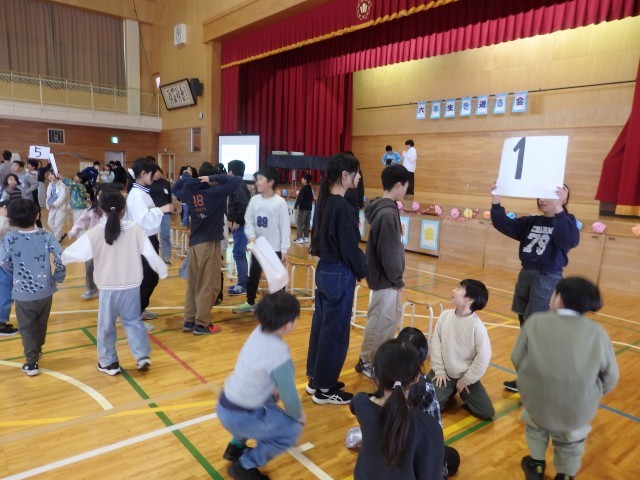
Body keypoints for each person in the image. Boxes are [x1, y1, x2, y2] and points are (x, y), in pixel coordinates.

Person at [514, 277, 619, 480]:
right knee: (571, 441)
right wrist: (588, 393)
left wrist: (532, 381)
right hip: (577, 407)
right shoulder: (597, 332)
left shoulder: (535, 322)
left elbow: (517, 357)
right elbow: (611, 376)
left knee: (535, 427)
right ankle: (565, 475)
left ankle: (536, 465)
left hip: (539, 401)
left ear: (559, 298)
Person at [61, 189, 167, 375]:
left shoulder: (95, 233)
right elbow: (150, 254)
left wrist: (62, 257)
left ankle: (108, 362)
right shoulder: (136, 229)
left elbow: (74, 254)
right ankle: (142, 355)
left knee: (106, 326)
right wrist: (162, 270)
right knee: (133, 321)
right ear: (124, 208)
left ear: (100, 209)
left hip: (108, 288)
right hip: (132, 286)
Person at [491, 184, 579, 392]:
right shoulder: (531, 221)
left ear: (563, 198)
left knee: (537, 331)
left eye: (548, 196)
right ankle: (527, 378)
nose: (542, 199)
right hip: (527, 275)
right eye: (540, 195)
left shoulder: (566, 221)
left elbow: (569, 240)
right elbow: (504, 224)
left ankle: (543, 379)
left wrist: (559, 209)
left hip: (547, 278)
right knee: (526, 327)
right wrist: (496, 200)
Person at [217, 292, 305, 480]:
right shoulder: (279, 353)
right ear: (288, 326)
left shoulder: (258, 331)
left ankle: (235, 447)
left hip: (226, 403)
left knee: (271, 398)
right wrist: (298, 416)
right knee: (292, 431)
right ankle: (244, 465)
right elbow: (289, 395)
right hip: (241, 417)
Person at [306, 153, 367, 405]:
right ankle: (325, 388)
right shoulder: (341, 206)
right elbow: (350, 248)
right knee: (336, 332)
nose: (359, 177)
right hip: (339, 273)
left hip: (324, 271)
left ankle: (316, 379)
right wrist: (363, 272)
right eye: (356, 172)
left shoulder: (325, 201)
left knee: (322, 327)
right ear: (345, 175)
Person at [350, 338, 444, 479]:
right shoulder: (427, 426)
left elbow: (355, 405)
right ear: (416, 377)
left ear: (375, 372)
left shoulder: (360, 403)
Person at [173, 162, 242, 335]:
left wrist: (187, 178)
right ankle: (202, 324)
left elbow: (175, 188)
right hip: (209, 243)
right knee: (208, 285)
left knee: (194, 284)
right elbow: (236, 180)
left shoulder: (191, 191)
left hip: (194, 244)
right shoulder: (216, 192)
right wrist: (214, 178)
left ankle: (189, 320)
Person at [1, 198, 66, 376]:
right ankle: (37, 349)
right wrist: (58, 277)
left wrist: (14, 274)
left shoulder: (10, 238)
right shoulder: (47, 236)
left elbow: (4, 262)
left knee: (26, 328)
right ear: (37, 215)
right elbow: (61, 258)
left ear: (12, 219)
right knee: (41, 324)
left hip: (22, 294)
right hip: (46, 291)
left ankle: (31, 363)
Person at [355, 165, 409, 378]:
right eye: (406, 186)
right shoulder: (387, 213)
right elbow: (388, 251)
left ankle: (376, 361)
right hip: (385, 279)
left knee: (387, 322)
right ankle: (366, 361)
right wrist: (398, 279)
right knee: (379, 322)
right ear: (398, 185)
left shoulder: (388, 209)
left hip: (387, 278)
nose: (406, 190)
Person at [427, 279, 495, 420]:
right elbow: (436, 344)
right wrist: (439, 370)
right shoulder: (445, 315)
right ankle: (449, 390)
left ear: (469, 299)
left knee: (487, 412)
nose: (453, 290)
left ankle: (454, 389)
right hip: (443, 375)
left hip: (465, 377)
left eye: (459, 288)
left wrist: (466, 380)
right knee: (426, 407)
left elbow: (483, 358)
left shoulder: (477, 326)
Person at [232, 167, 290, 314]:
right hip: (259, 247)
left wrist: (284, 249)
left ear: (271, 182)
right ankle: (250, 301)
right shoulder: (254, 200)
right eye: (257, 179)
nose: (257, 182)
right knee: (253, 276)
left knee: (276, 279)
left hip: (275, 249)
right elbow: (248, 220)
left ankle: (279, 308)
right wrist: (251, 236)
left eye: (260, 179)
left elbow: (285, 227)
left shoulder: (280, 203)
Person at [126, 158, 174, 324]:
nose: (154, 176)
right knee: (147, 278)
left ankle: (140, 309)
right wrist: (162, 209)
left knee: (151, 277)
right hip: (142, 240)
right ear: (143, 173)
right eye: (152, 173)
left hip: (149, 238)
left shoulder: (142, 192)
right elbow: (143, 219)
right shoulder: (136, 194)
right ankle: (135, 316)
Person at [226, 160, 251, 296]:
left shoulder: (237, 185)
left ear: (231, 172)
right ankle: (243, 282)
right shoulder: (240, 184)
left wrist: (237, 220)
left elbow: (244, 204)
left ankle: (243, 284)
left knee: (238, 254)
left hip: (241, 225)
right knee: (239, 253)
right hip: (241, 224)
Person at [0, 199, 18, 336]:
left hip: (6, 264)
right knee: (5, 294)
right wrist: (3, 216)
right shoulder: (2, 222)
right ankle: (0, 324)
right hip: (3, 265)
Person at [149, 167, 173, 264]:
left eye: (158, 172)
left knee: (165, 235)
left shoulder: (166, 183)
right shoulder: (149, 183)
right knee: (151, 235)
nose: (156, 174)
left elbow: (169, 196)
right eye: (154, 172)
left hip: (165, 213)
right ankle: (152, 256)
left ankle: (166, 257)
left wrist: (171, 207)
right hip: (153, 212)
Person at [45, 170, 70, 242]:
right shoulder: (50, 185)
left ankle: (57, 239)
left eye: (52, 174)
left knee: (58, 223)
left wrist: (55, 204)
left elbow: (62, 197)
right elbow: (48, 196)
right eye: (49, 175)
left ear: (57, 175)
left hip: (61, 207)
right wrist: (48, 204)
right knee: (50, 223)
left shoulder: (62, 185)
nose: (50, 176)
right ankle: (61, 234)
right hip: (52, 206)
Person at [293, 173, 313, 244]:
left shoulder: (304, 188)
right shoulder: (310, 188)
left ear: (305, 180)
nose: (301, 180)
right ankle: (306, 237)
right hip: (309, 208)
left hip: (303, 208)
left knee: (300, 223)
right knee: (307, 223)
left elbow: (299, 198)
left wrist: (296, 205)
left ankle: (299, 238)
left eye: (302, 178)